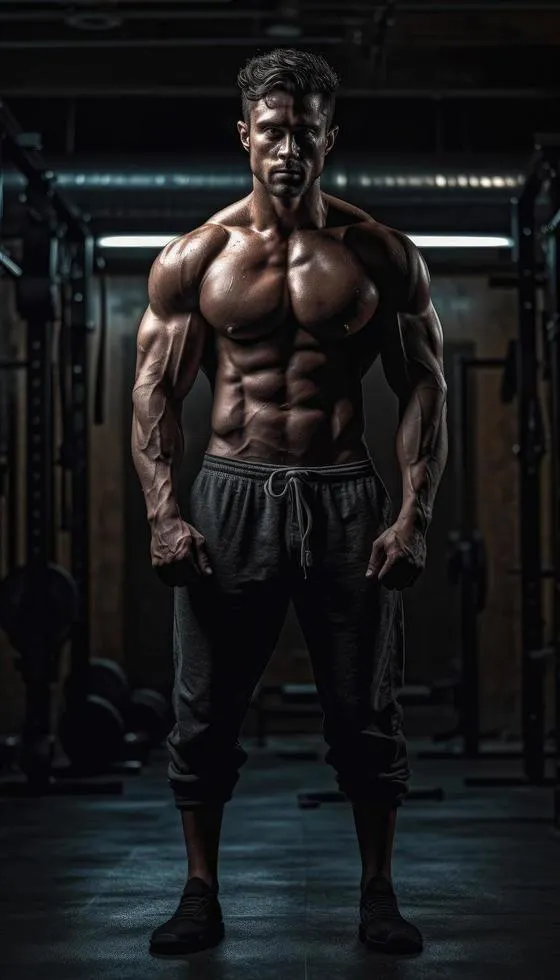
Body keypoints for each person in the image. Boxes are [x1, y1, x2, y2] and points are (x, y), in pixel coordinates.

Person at [131, 47, 448, 958]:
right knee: (205, 712)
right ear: (245, 134)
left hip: (345, 495)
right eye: (272, 130)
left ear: (328, 138)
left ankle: (378, 894)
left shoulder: (379, 254)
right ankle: (199, 894)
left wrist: (413, 515)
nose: (288, 148)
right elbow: (155, 392)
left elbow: (425, 386)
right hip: (231, 494)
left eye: (305, 131)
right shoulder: (198, 257)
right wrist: (164, 514)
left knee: (366, 713)